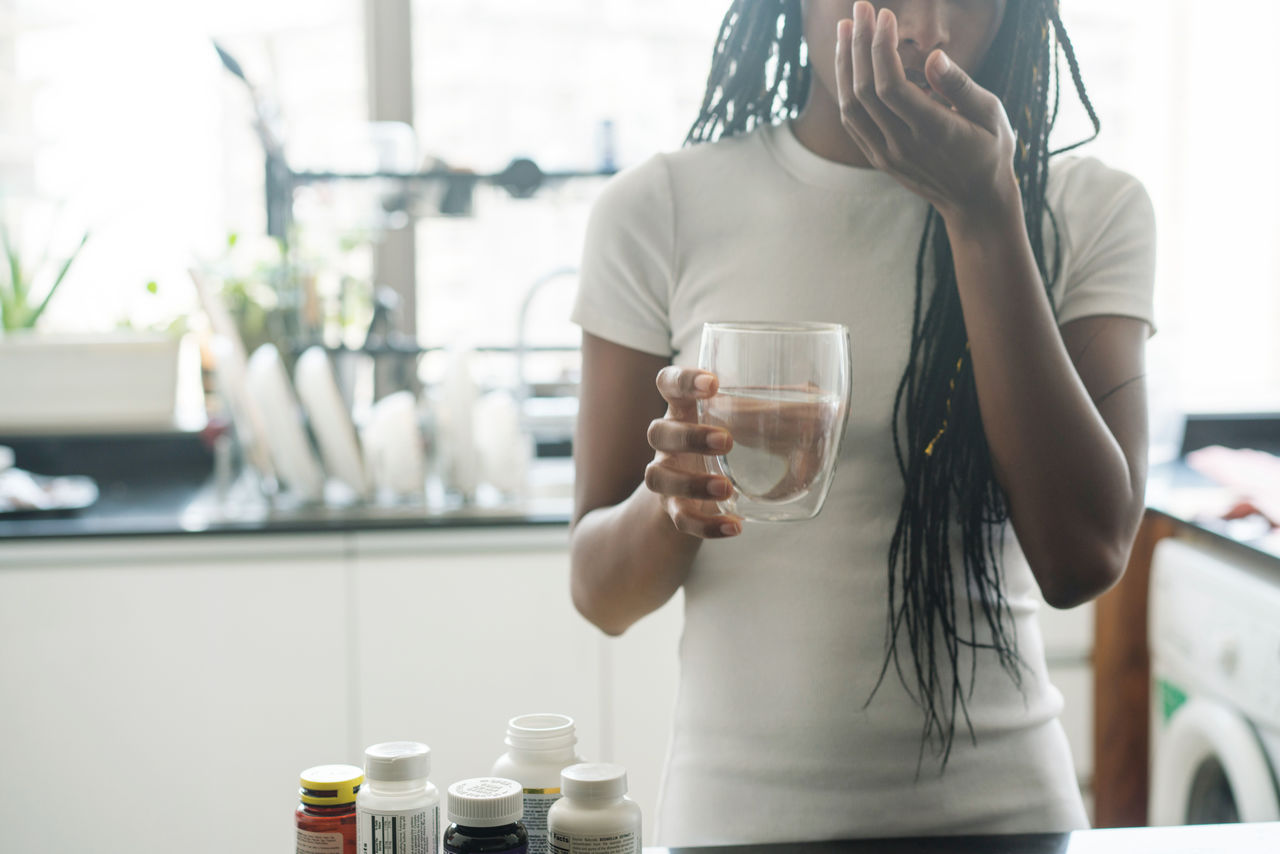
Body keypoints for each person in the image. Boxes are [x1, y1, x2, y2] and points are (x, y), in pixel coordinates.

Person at [570, 0, 1155, 844]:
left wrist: (985, 212)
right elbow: (599, 594)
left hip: (1004, 820)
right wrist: (671, 506)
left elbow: (1084, 558)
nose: (921, 26)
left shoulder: (1089, 209)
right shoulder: (659, 207)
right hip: (739, 821)